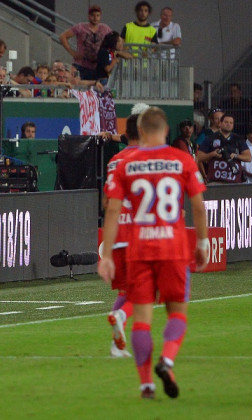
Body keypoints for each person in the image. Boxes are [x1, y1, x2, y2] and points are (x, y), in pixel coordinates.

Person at [98, 106, 210, 399]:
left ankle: (146, 383)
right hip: (173, 247)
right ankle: (168, 359)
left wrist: (107, 254)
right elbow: (198, 206)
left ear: (142, 132)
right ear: (166, 131)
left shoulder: (126, 163)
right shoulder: (183, 159)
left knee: (143, 319)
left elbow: (111, 209)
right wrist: (202, 242)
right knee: (177, 314)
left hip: (139, 248)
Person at [101, 115, 141, 359]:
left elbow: (108, 201)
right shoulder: (147, 160)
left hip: (117, 235)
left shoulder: (115, 160)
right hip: (139, 235)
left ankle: (117, 345)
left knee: (126, 291)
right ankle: (122, 316)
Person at [59, 5, 112, 81]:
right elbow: (62, 37)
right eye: (93, 15)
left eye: (97, 15)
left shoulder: (105, 28)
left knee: (97, 90)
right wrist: (72, 52)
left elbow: (114, 40)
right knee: (78, 87)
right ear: (89, 16)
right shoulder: (80, 27)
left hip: (98, 66)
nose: (95, 18)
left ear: (100, 16)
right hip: (80, 66)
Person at [197, 114, 251, 184]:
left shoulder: (238, 139)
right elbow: (199, 158)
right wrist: (212, 154)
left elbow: (249, 157)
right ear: (220, 123)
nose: (228, 124)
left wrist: (236, 156)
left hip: (234, 182)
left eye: (231, 123)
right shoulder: (210, 138)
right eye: (226, 122)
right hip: (215, 181)